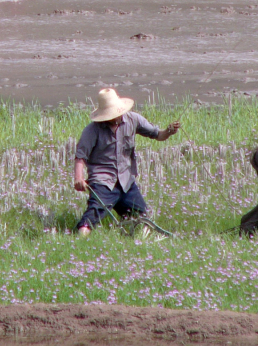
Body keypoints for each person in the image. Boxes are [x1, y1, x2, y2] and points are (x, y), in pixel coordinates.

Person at [73, 88, 180, 236]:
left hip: (126, 181)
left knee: (142, 217)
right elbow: (80, 157)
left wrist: (169, 131)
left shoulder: (133, 119)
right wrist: (78, 179)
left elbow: (159, 135)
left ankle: (131, 237)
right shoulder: (92, 130)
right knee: (92, 216)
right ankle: (80, 239)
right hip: (103, 181)